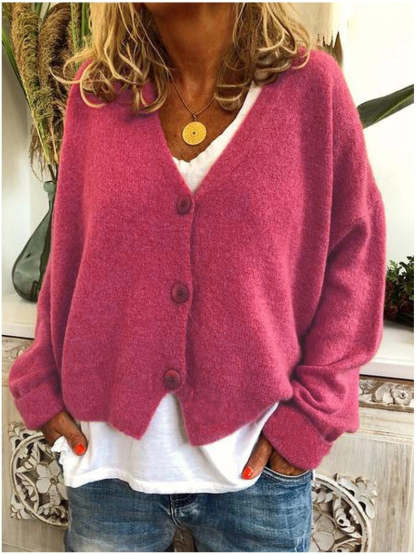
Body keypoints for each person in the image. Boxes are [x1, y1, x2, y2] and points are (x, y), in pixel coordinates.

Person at [8, 3, 386, 552]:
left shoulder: (311, 90)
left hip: (257, 477)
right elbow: (69, 254)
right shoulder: (97, 94)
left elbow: (356, 257)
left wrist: (309, 420)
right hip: (110, 470)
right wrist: (40, 382)